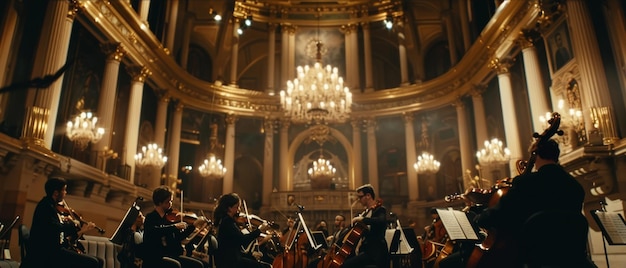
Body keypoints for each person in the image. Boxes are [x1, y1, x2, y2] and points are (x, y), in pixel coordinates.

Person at [473, 139, 587, 267]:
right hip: (570, 258)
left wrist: (478, 218)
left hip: (532, 259)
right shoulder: (575, 187)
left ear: (535, 154)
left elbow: (500, 213)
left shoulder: (526, 183)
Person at [22, 177, 103, 268]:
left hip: (56, 249)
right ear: (56, 193)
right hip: (48, 253)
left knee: (99, 261)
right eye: (64, 190)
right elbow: (54, 227)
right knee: (93, 262)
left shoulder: (52, 206)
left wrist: (77, 228)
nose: (65, 193)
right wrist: (70, 224)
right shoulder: (45, 206)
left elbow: (62, 231)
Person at [142, 186, 205, 268]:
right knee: (176, 265)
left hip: (170, 255)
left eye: (171, 201)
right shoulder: (151, 217)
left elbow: (179, 237)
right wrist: (174, 227)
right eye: (168, 201)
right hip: (156, 257)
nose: (171, 204)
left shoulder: (169, 218)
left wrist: (193, 225)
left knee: (201, 265)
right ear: (160, 202)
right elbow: (154, 231)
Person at [213, 193, 269, 268]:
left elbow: (235, 245)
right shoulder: (227, 222)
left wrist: (251, 255)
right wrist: (259, 230)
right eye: (237, 207)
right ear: (229, 208)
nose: (239, 210)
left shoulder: (224, 220)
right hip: (230, 262)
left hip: (229, 259)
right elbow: (242, 240)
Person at [343, 184, 390, 268]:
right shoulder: (365, 213)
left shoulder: (380, 209)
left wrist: (362, 219)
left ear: (368, 196)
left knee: (347, 266)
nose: (359, 200)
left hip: (376, 252)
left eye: (360, 197)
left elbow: (381, 221)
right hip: (366, 250)